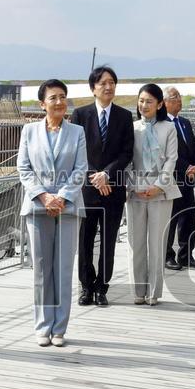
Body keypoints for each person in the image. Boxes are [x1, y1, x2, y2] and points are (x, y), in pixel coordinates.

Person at [17, 79, 88, 346]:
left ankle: (59, 328)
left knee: (63, 269)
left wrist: (61, 197)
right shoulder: (29, 131)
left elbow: (80, 169)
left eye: (62, 97)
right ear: (42, 103)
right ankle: (42, 325)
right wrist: (44, 196)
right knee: (42, 269)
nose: (59, 102)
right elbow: (24, 168)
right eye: (53, 98)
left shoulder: (77, 132)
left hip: (68, 208)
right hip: (37, 207)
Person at [70, 66, 134, 307]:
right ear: (93, 88)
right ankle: (86, 287)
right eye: (103, 83)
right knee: (85, 240)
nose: (109, 87)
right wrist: (94, 176)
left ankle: (101, 287)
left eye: (112, 83)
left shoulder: (125, 116)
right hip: (87, 189)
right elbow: (76, 152)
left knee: (109, 240)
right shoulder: (80, 115)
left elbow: (126, 152)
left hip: (113, 188)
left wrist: (107, 174)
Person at [127, 83, 180, 305]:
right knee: (135, 242)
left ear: (159, 104)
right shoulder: (131, 128)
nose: (144, 105)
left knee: (157, 243)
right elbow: (126, 159)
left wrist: (159, 185)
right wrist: (134, 185)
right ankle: (138, 291)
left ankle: (153, 292)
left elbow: (171, 159)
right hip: (136, 190)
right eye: (141, 100)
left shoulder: (168, 128)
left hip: (161, 192)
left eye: (149, 101)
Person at [162, 86, 195, 271]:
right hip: (172, 178)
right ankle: (167, 255)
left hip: (189, 179)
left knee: (189, 217)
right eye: (174, 97)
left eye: (179, 96)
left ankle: (187, 255)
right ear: (164, 102)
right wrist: (186, 167)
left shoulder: (185, 122)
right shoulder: (162, 124)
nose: (179, 100)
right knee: (171, 218)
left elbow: (194, 147)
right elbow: (168, 153)